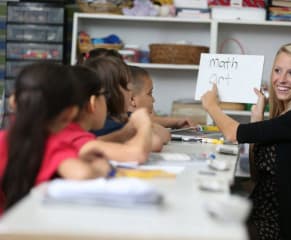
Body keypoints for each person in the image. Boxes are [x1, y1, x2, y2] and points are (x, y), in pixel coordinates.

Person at [201, 43, 291, 240]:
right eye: (278, 70)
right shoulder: (285, 117)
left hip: (282, 228)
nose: (282, 79)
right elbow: (257, 175)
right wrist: (257, 119)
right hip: (262, 217)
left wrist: (211, 106)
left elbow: (233, 133)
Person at [0, 62, 112, 213]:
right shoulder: (52, 144)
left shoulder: (3, 138)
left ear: (13, 102)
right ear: (70, 113)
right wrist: (99, 168)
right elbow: (82, 174)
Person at [67, 64, 153, 164]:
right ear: (93, 103)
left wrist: (123, 134)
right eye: (104, 96)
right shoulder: (74, 138)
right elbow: (138, 155)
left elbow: (98, 141)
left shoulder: (75, 133)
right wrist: (144, 125)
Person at [83, 56, 169, 150]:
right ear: (114, 93)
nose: (130, 92)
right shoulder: (109, 126)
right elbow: (156, 142)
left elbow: (164, 133)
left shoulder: (122, 117)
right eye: (126, 87)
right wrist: (143, 125)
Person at [129, 65, 195, 129]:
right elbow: (161, 133)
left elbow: (152, 120)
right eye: (149, 93)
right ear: (132, 99)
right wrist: (176, 122)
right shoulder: (127, 122)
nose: (153, 100)